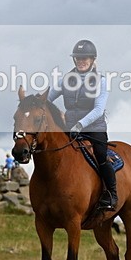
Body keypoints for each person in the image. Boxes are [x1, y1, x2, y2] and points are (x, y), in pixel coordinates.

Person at [47, 39, 116, 211]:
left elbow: (99, 109)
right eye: (78, 58)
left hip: (94, 128)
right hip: (71, 129)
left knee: (101, 155)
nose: (81, 61)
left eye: (85, 58)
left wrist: (80, 124)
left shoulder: (101, 80)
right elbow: (47, 98)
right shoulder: (65, 80)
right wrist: (34, 103)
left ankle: (111, 194)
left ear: (92, 60)